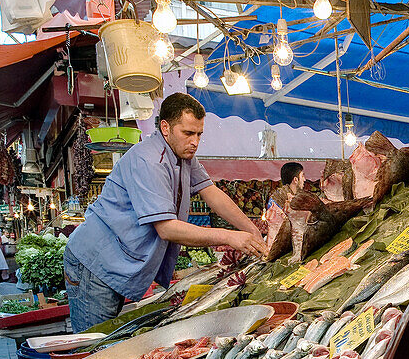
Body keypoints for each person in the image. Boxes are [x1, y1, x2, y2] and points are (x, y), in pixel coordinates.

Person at [64, 93, 267, 333]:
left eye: (199, 134)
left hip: (117, 262)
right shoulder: (149, 159)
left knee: (108, 339)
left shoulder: (184, 157)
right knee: (95, 345)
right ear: (165, 128)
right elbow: (167, 228)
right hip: (95, 263)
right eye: (188, 133)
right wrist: (230, 236)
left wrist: (252, 232)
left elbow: (211, 192)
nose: (195, 142)